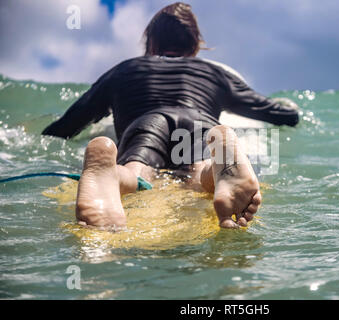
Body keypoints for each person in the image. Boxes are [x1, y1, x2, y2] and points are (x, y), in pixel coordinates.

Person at [42, 2, 299, 229]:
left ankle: (112, 174)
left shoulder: (124, 71)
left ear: (151, 43)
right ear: (194, 45)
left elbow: (66, 126)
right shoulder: (213, 74)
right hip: (200, 121)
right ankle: (219, 169)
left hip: (145, 121)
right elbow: (280, 114)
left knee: (138, 172)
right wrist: (290, 110)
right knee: (197, 175)